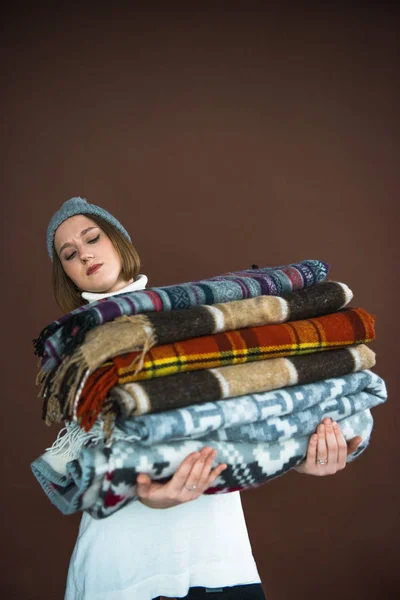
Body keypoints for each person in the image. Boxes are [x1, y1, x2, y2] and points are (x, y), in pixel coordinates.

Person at [45, 197, 363, 600]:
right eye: (70, 254)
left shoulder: (195, 322)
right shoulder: (80, 346)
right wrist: (149, 494)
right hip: (126, 568)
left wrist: (301, 454)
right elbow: (97, 452)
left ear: (120, 242)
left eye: (93, 237)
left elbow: (244, 420)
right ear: (68, 276)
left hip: (219, 556)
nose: (85, 253)